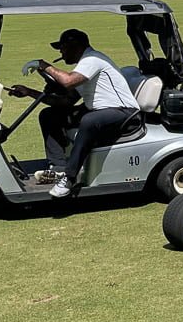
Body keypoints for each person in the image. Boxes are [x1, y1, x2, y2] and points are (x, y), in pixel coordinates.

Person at [9, 27, 140, 198]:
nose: (61, 53)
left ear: (75, 46)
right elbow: (66, 101)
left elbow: (68, 81)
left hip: (124, 113)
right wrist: (29, 92)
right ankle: (58, 168)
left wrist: (44, 65)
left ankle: (69, 178)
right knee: (49, 115)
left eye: (63, 48)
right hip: (102, 111)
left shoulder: (92, 59)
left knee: (89, 120)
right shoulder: (83, 67)